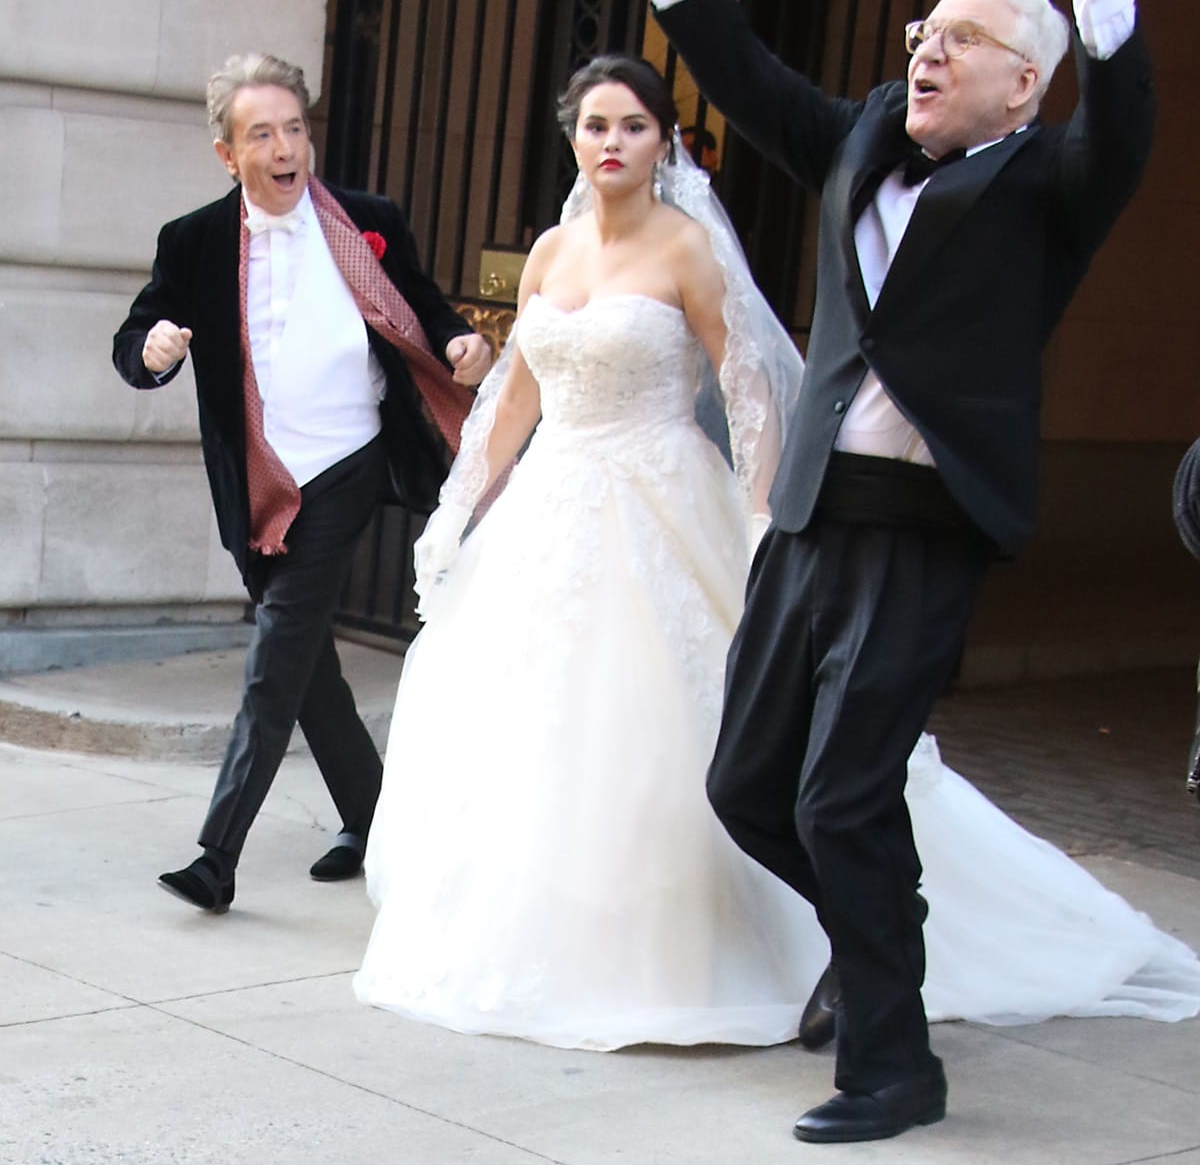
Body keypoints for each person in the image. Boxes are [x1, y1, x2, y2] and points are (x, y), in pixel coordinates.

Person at [353, 57, 1200, 1056]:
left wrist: (763, 523)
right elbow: (519, 402)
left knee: (665, 716)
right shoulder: (547, 253)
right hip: (554, 500)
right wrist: (461, 508)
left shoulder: (687, 250)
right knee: (529, 721)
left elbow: (749, 390)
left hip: (663, 491)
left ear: (664, 141)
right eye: (593, 126)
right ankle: (531, 927)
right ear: (572, 140)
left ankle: (731, 938)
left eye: (631, 124)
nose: (611, 142)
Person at [626, 0, 1155, 1143]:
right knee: (752, 787)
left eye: (964, 36)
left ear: (1025, 84)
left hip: (923, 533)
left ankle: (892, 1065)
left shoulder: (1050, 183)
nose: (929, 42)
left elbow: (1128, 123)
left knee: (841, 794)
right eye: (926, 25)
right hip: (811, 521)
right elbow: (746, 80)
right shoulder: (865, 133)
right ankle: (882, 944)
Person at [113, 52, 490, 913]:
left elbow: (425, 306)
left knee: (276, 655)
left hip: (348, 463)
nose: (285, 149)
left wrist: (461, 341)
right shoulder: (195, 239)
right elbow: (136, 332)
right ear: (226, 153)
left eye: (294, 129)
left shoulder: (366, 221)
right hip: (257, 483)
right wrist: (155, 350)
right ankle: (374, 817)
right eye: (262, 135)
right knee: (310, 667)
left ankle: (217, 855)